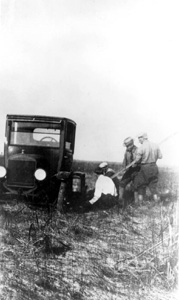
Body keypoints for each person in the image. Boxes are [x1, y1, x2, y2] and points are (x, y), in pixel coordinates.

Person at [132, 132, 162, 203]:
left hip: (145, 167)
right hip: (154, 166)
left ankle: (140, 205)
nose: (139, 140)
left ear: (142, 138)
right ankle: (157, 204)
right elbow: (160, 156)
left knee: (141, 185)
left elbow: (137, 160)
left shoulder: (141, 148)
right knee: (153, 186)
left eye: (139, 138)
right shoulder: (156, 145)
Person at [118, 137, 139, 204]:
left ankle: (136, 203)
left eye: (128, 146)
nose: (127, 147)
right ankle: (120, 200)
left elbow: (141, 161)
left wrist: (136, 163)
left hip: (137, 171)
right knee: (122, 183)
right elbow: (125, 160)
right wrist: (124, 167)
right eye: (126, 146)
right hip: (129, 171)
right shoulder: (127, 151)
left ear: (132, 144)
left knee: (136, 187)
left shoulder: (138, 150)